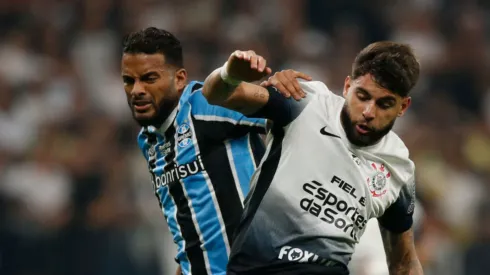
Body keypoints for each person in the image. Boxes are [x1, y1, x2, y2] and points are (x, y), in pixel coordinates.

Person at [202, 42, 423, 275]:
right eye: (362, 96)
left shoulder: (398, 166)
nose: (369, 112)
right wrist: (230, 74)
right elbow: (215, 95)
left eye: (384, 104)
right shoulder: (305, 102)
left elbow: (404, 263)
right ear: (347, 86)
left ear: (403, 107)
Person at [120, 27, 307, 275]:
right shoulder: (148, 140)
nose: (136, 90)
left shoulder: (204, 105)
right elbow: (191, 234)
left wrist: (280, 88)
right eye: (128, 81)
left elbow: (289, 113)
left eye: (149, 78)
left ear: (179, 79)